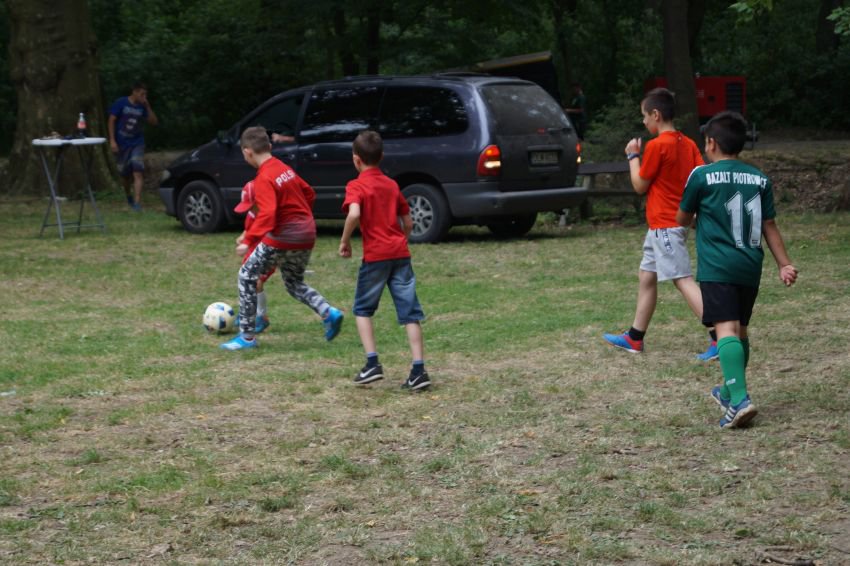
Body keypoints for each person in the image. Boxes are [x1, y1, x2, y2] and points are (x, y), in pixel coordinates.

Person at [677, 111, 798, 428]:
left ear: (711, 143)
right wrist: (784, 263)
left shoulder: (701, 176)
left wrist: (698, 220)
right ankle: (730, 393)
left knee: (725, 331)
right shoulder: (759, 178)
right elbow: (769, 225)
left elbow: (682, 218)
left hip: (717, 266)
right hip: (749, 266)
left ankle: (740, 400)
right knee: (740, 331)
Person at [603, 87, 717, 359]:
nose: (644, 122)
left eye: (644, 116)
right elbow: (700, 175)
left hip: (665, 225)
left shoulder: (656, 146)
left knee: (682, 279)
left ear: (656, 114)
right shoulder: (688, 144)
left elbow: (640, 185)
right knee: (647, 276)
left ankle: (719, 336)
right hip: (666, 225)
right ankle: (635, 337)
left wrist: (633, 157)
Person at [220, 126, 344, 350]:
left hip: (284, 234)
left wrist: (248, 239)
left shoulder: (263, 178)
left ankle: (246, 338)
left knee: (246, 275)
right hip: (307, 232)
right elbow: (309, 193)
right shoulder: (284, 169)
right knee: (294, 282)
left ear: (247, 152)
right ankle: (328, 312)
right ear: (269, 146)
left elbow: (267, 213)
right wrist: (301, 219)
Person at [338, 130, 430, 391]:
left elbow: (354, 214)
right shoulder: (391, 185)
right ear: (381, 157)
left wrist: (345, 241)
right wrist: (401, 241)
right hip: (400, 254)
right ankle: (419, 370)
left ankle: (372, 364)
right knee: (410, 313)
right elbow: (408, 222)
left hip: (376, 257)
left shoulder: (356, 186)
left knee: (362, 309)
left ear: (356, 159)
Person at [108, 82, 158, 211]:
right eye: (142, 94)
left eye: (145, 94)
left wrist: (147, 106)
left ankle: (137, 203)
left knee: (138, 171)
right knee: (125, 175)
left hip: (137, 143)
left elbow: (154, 122)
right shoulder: (121, 102)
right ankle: (128, 195)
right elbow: (111, 120)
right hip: (122, 143)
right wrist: (112, 140)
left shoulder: (143, 106)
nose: (144, 96)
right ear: (134, 92)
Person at [233, 180, 274, 333]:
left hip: (269, 252)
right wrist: (243, 237)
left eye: (252, 205)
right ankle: (247, 312)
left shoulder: (271, 215)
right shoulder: (251, 214)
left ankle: (262, 317)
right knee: (245, 280)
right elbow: (248, 229)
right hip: (253, 251)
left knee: (257, 283)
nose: (250, 209)